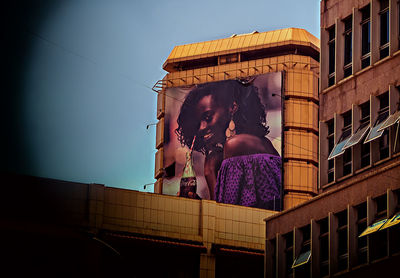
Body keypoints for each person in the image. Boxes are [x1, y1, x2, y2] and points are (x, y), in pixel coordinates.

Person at [175, 79, 281, 210]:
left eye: (208, 117)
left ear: (232, 108)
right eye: (198, 123)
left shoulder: (235, 144)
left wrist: (209, 171)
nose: (201, 128)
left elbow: (224, 216)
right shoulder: (258, 142)